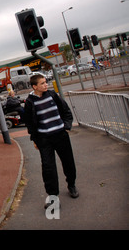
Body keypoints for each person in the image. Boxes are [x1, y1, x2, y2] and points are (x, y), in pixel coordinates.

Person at [23, 74, 79, 209]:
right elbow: (30, 124)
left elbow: (66, 111)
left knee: (68, 162)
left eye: (45, 82)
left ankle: (71, 185)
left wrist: (66, 127)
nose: (45, 85)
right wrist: (35, 140)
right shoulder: (30, 102)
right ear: (35, 86)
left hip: (60, 135)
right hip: (44, 139)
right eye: (42, 83)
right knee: (48, 169)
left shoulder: (53, 95)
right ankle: (53, 197)